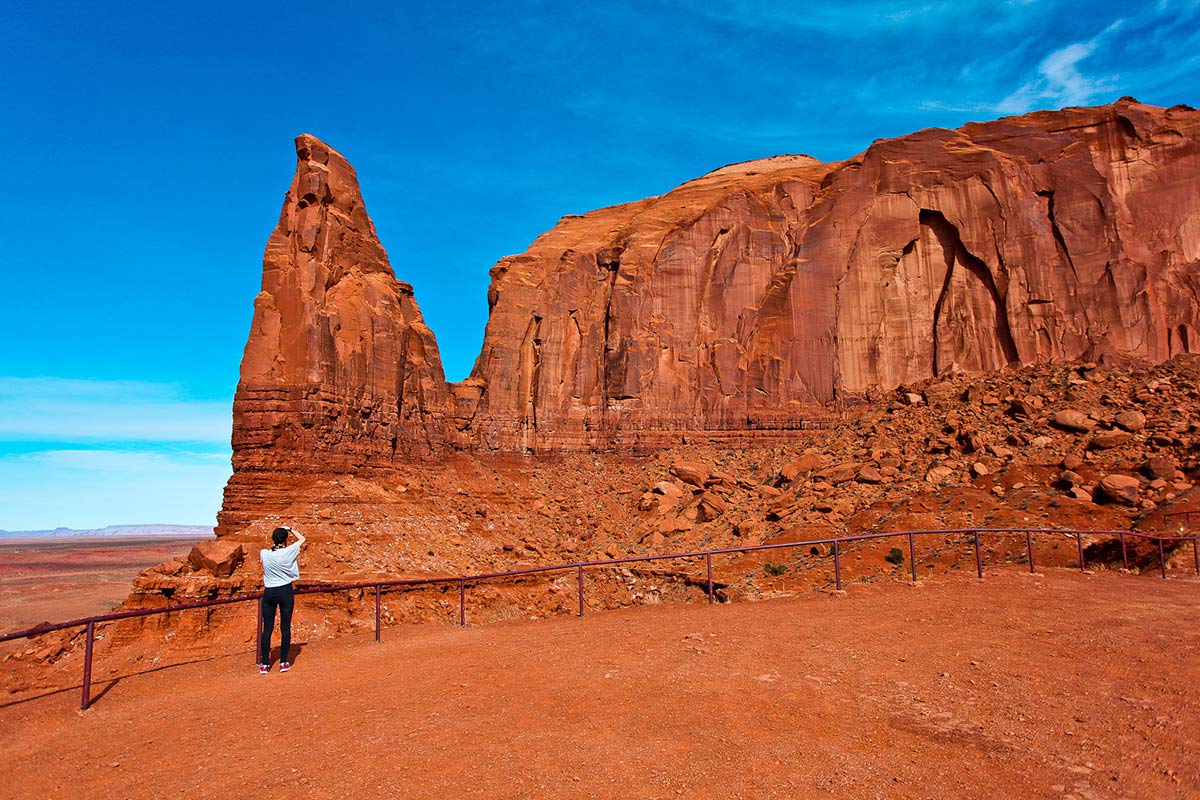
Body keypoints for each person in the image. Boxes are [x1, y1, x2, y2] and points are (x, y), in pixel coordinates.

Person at [258, 525, 304, 674]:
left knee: (267, 629)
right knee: (285, 627)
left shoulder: (264, 553)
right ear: (285, 540)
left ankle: (265, 664)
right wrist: (290, 528)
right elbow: (302, 539)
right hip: (285, 591)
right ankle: (283, 662)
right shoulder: (289, 551)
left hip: (269, 593)